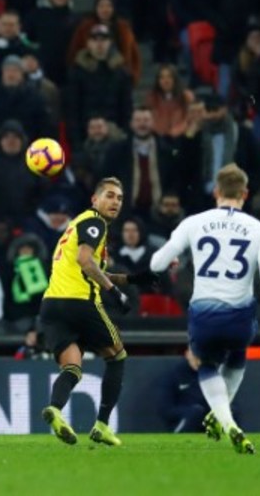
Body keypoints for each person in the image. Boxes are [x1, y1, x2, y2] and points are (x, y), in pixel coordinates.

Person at [150, 164, 260, 455]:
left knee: (207, 364)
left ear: (216, 192)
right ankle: (222, 413)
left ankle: (226, 420)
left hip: (204, 318)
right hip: (240, 320)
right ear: (245, 193)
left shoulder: (194, 223)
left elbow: (156, 263)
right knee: (237, 353)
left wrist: (172, 259)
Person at [40, 177, 154, 447]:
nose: (115, 202)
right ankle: (102, 425)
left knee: (71, 367)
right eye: (109, 196)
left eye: (120, 198)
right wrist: (114, 293)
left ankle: (55, 409)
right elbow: (84, 260)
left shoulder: (76, 225)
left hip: (52, 304)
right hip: (79, 302)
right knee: (117, 356)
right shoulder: (95, 222)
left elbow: (91, 268)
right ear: (95, 199)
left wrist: (132, 279)